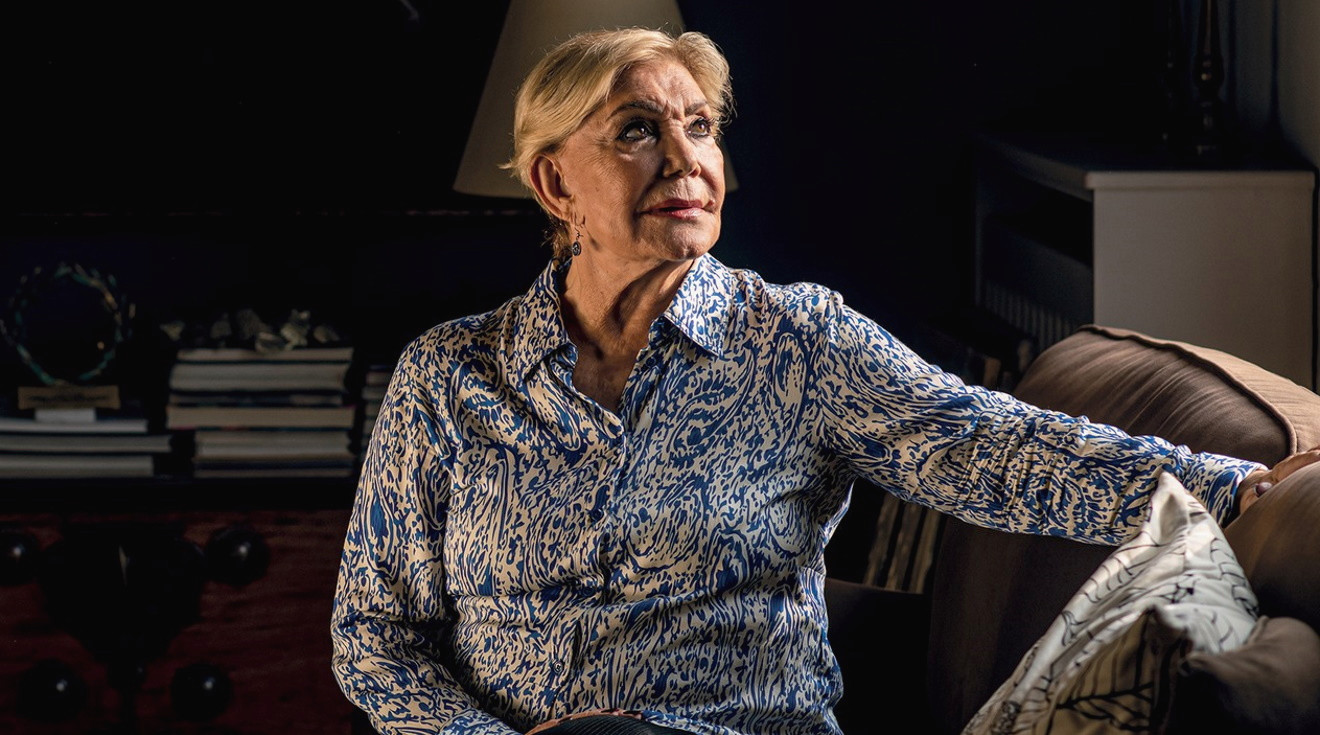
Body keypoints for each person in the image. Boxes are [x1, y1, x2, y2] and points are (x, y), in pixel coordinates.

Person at [330, 26, 1318, 735]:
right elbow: (374, 635)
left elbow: (992, 447)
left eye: (701, 128)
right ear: (555, 183)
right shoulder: (448, 376)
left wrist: (1233, 486)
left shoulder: (798, 342)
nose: (685, 160)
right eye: (637, 131)